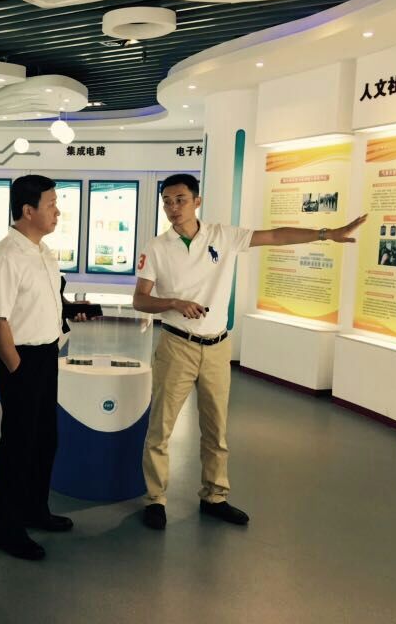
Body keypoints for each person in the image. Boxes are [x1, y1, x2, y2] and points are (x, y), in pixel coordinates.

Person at [134, 174, 366, 530]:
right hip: (177, 345)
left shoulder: (223, 236)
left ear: (197, 202)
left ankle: (215, 495)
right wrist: (174, 303)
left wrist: (326, 234)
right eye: (167, 201)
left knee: (216, 429)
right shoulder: (156, 247)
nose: (173, 207)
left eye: (180, 199)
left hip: (216, 347)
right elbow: (140, 300)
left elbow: (274, 236)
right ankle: (155, 499)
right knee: (161, 428)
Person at [0, 174, 73, 562]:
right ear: (28, 210)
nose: (57, 212)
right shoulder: (6, 256)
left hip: (47, 354)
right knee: (19, 444)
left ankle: (36, 509)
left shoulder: (42, 251)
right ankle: (7, 528)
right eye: (51, 205)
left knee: (45, 438)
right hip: (20, 359)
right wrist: (17, 370)